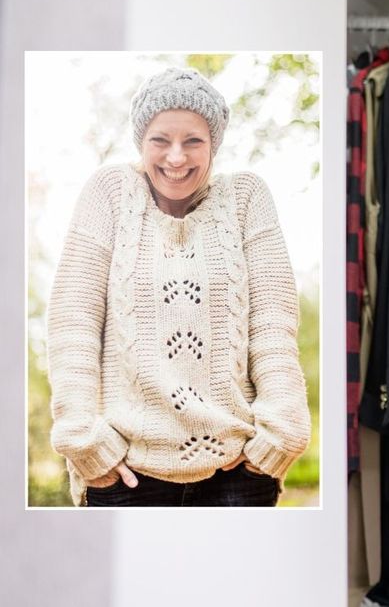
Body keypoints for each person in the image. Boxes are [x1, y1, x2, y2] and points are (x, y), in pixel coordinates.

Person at [47, 67, 312, 507]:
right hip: (125, 474)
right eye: (160, 140)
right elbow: (73, 324)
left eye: (193, 141)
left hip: (239, 475)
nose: (176, 157)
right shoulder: (110, 194)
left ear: (213, 144)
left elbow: (274, 328)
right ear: (141, 141)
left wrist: (281, 437)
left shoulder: (246, 198)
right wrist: (85, 444)